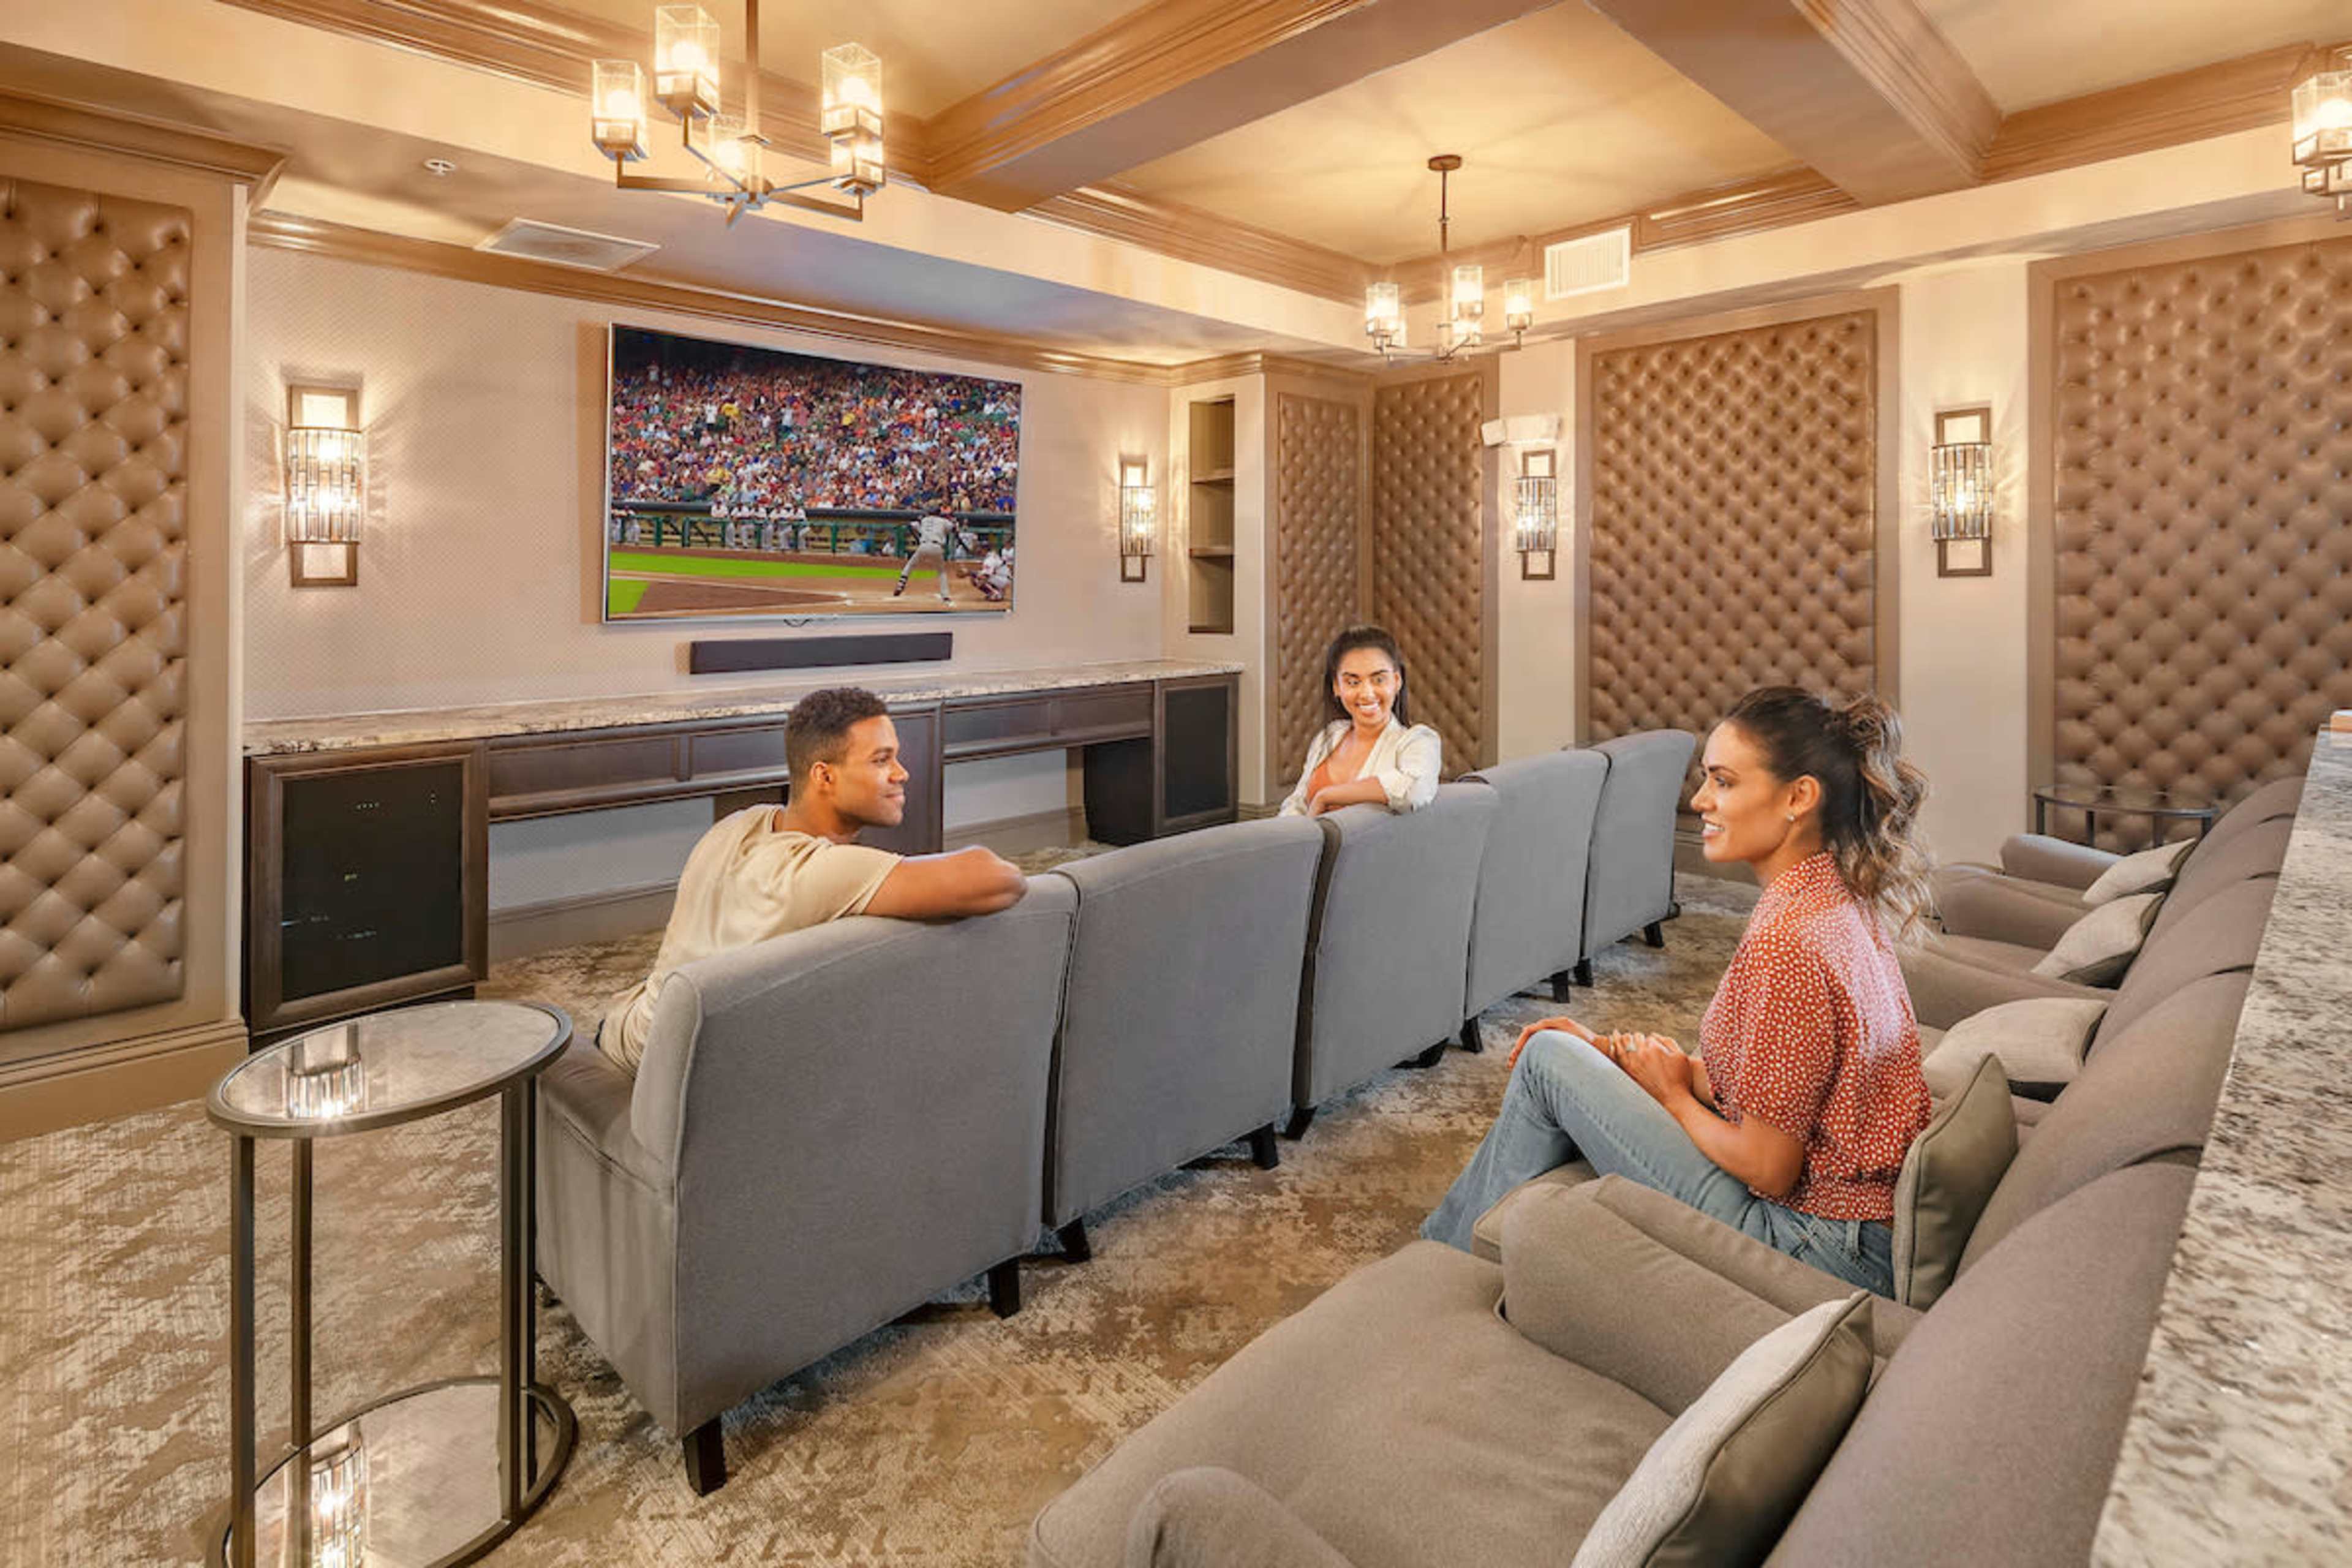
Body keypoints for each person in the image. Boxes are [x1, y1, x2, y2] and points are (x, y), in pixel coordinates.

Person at [1421, 687, 1935, 1296]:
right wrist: (1617, 1058)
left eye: (1723, 781)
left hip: (1811, 1244)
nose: (1699, 800)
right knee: (1566, 1060)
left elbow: (1771, 1169)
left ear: (1798, 796)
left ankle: (1439, 1272)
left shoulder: (1790, 941)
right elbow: (1786, 1090)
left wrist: (1674, 1098)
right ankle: (1463, 1256)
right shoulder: (1832, 897)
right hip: (1857, 1230)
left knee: (1543, 1062)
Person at [597, 687, 1027, 1072]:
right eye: (882, 760)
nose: (902, 773)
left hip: (633, 1033)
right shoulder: (823, 871)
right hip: (661, 1072)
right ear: (825, 776)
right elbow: (1001, 880)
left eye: (896, 756)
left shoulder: (738, 823)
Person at [1278, 625, 1441, 817]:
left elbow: (1414, 790)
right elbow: (1297, 803)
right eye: (1353, 682)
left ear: (1397, 681)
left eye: (1379, 680)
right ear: (1337, 687)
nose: (1367, 693)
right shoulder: (1328, 736)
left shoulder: (1418, 741)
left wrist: (1327, 796)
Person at [892, 511, 957, 603]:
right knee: (941, 572)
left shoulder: (924, 520)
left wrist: (918, 538)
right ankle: (945, 596)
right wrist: (953, 521)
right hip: (937, 547)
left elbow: (911, 525)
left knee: (910, 565)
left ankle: (900, 585)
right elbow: (954, 529)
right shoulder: (943, 521)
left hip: (923, 546)